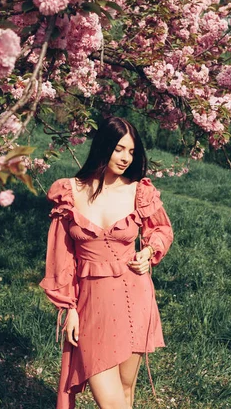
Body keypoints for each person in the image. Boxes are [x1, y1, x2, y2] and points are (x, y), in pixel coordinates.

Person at [40, 116, 173, 409]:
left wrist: (148, 253)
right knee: (111, 402)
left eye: (131, 151)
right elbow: (61, 260)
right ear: (103, 146)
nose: (126, 158)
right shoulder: (69, 193)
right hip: (91, 305)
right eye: (119, 149)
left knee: (126, 392)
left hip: (135, 298)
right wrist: (69, 310)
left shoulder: (139, 191)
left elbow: (162, 230)